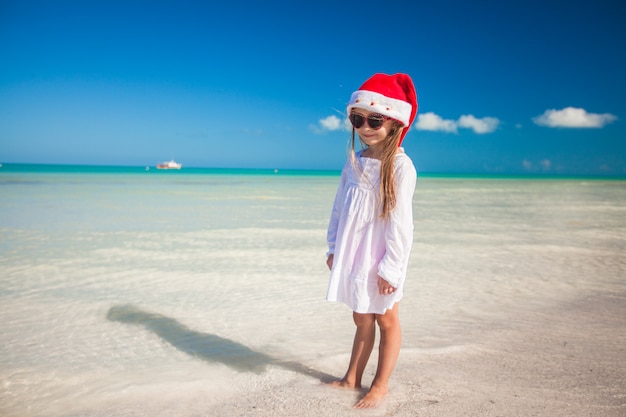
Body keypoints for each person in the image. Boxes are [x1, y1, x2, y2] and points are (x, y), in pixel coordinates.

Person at [325, 73, 418, 409]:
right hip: (354, 254)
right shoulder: (355, 162)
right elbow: (339, 208)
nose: (365, 127)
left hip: (381, 258)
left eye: (375, 120)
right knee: (361, 316)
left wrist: (391, 269)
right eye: (357, 118)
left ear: (394, 123)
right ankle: (352, 377)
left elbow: (401, 225)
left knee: (385, 318)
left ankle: (380, 386)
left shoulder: (401, 168)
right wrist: (334, 247)